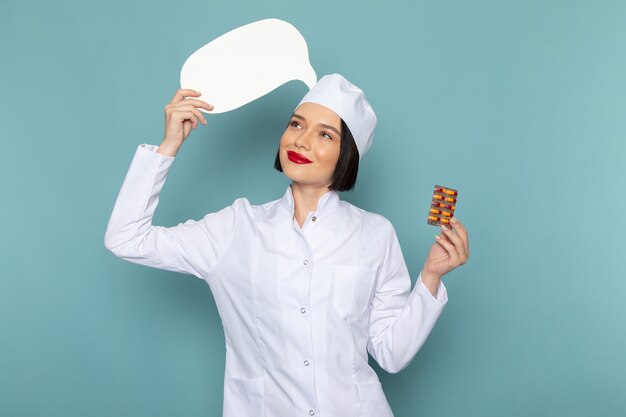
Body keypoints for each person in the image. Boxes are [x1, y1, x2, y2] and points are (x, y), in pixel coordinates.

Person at [104, 74, 469, 417]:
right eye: (296, 124)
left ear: (347, 155)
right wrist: (168, 147)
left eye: (325, 134)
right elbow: (126, 238)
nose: (301, 141)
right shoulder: (235, 227)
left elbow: (391, 353)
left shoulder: (375, 234)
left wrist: (431, 276)